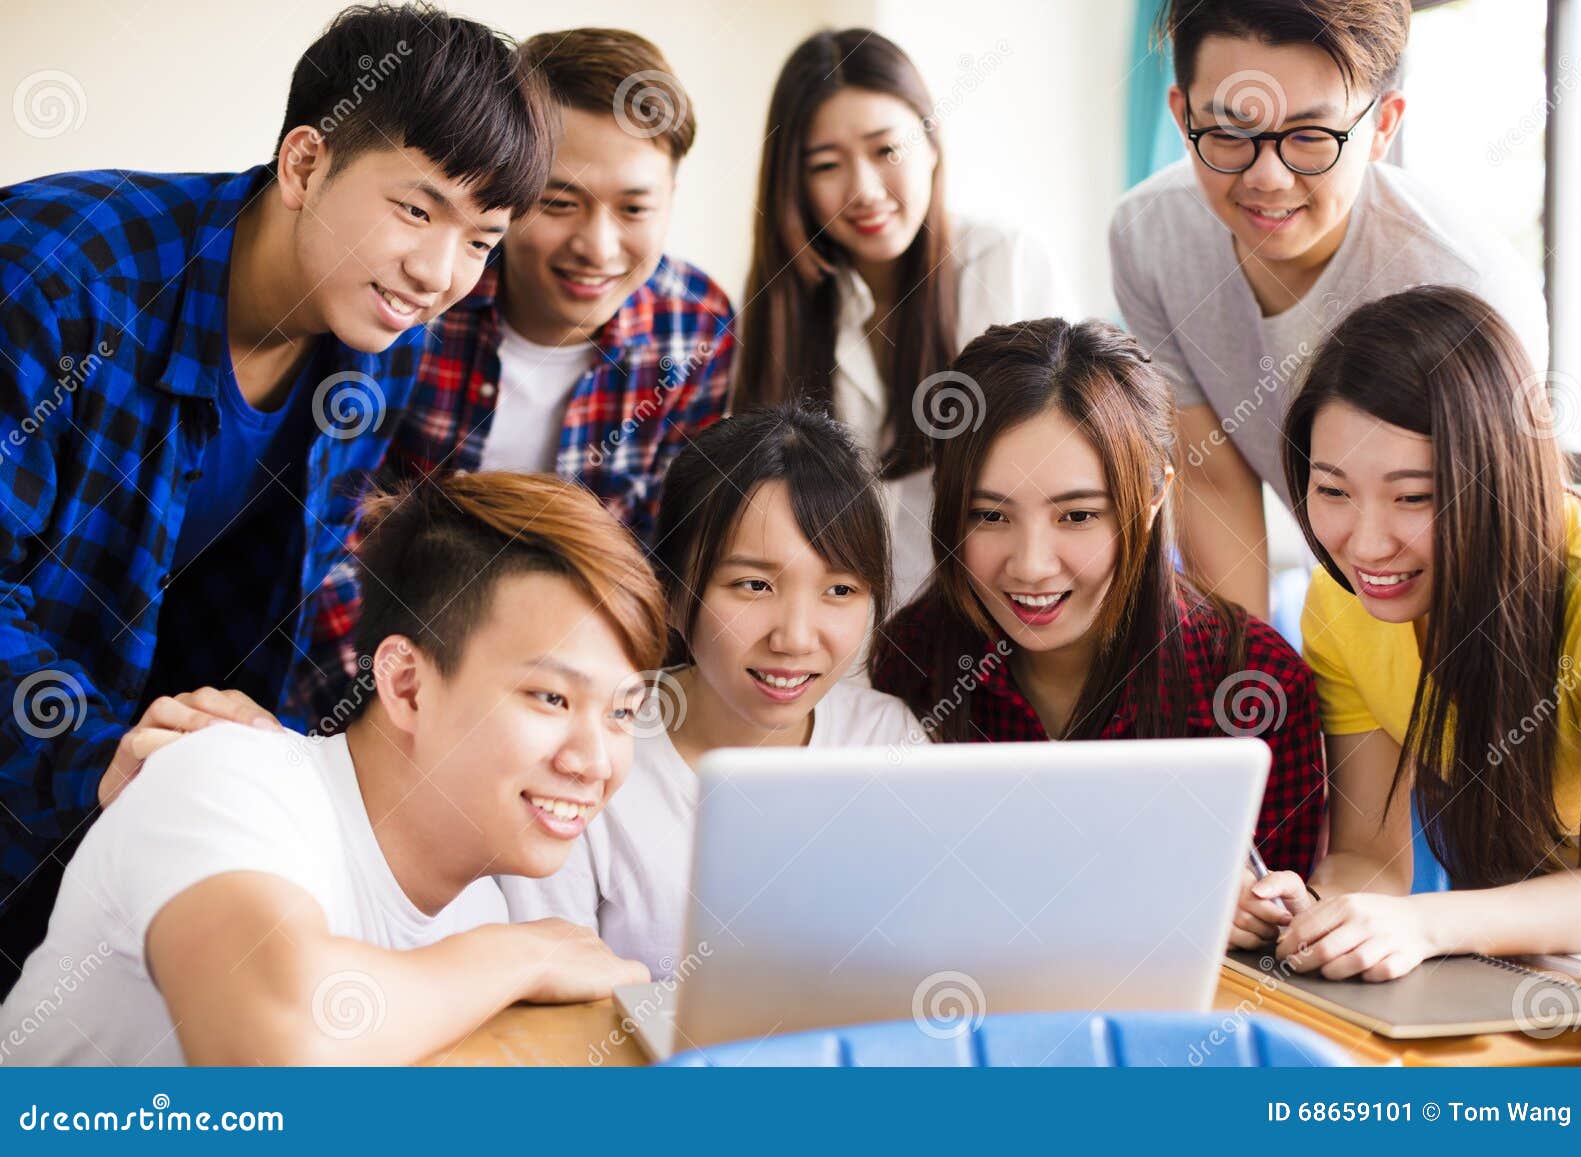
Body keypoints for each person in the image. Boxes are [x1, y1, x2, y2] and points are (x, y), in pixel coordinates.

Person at [0, 2, 554, 995]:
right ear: (304, 164)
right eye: (417, 210)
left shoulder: (380, 339)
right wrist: (94, 749)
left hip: (121, 834)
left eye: (481, 240)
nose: (438, 275)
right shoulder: (53, 273)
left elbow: (292, 606)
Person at [0, 472, 662, 1065]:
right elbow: (272, 1048)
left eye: (623, 712)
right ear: (406, 685)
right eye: (551, 697)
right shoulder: (230, 778)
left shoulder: (476, 912)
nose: (595, 762)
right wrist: (531, 954)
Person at [294, 27, 734, 729]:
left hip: (579, 698)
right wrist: (379, 712)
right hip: (379, 682)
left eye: (635, 208)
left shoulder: (695, 327)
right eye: (559, 203)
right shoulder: (415, 300)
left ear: (672, 196)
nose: (597, 245)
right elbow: (325, 535)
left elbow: (673, 562)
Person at [1110, 0, 1548, 618]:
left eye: (1311, 137)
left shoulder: (1470, 289)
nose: (1267, 177)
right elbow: (1213, 480)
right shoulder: (1149, 236)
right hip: (1346, 610)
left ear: (1384, 127)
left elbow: (1504, 539)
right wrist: (1246, 683)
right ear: (1182, 116)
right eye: (1230, 133)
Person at [871, 318, 1325, 878]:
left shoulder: (1256, 683)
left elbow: (1287, 936)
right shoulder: (910, 661)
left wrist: (1255, 914)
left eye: (1078, 515)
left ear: (1155, 494)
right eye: (989, 515)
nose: (1032, 565)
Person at [1236, 287, 1581, 980]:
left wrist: (1425, 923)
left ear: (1497, 479)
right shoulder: (1341, 606)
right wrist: (1309, 908)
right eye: (1334, 491)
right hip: (1544, 977)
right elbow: (1371, 858)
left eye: (1414, 496)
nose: (1366, 546)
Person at [502, 406, 924, 978]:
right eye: (754, 585)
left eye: (840, 589)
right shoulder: (582, 757)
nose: (796, 638)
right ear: (673, 594)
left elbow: (920, 956)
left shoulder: (885, 740)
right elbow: (549, 998)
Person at [736, 27, 1075, 609]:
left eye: (887, 150)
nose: (864, 190)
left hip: (999, 610)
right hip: (846, 634)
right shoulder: (779, 306)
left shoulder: (1004, 262)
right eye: (826, 165)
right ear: (794, 183)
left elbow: (1057, 462)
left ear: (932, 144)